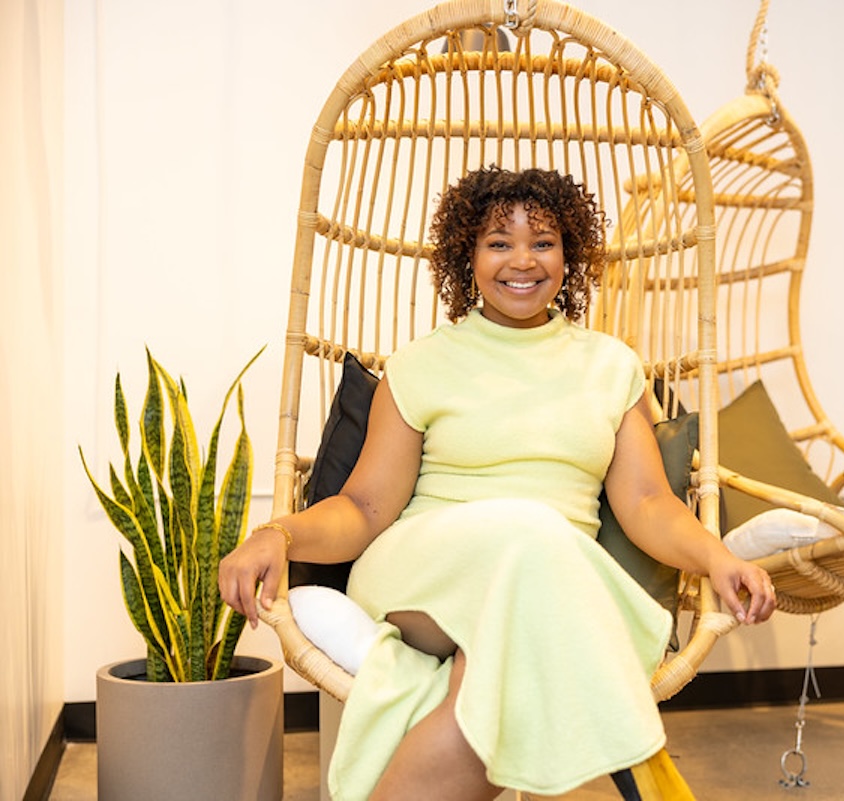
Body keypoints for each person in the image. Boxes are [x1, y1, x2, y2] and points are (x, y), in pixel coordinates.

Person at [219, 166, 776, 801]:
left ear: (571, 256)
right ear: (468, 258)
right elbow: (365, 507)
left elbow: (649, 504)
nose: (523, 261)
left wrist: (719, 558)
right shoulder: (423, 363)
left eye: (543, 242)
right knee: (530, 527)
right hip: (424, 574)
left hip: (543, 585)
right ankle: (642, 762)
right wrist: (278, 534)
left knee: (486, 679)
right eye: (498, 242)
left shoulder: (610, 366)